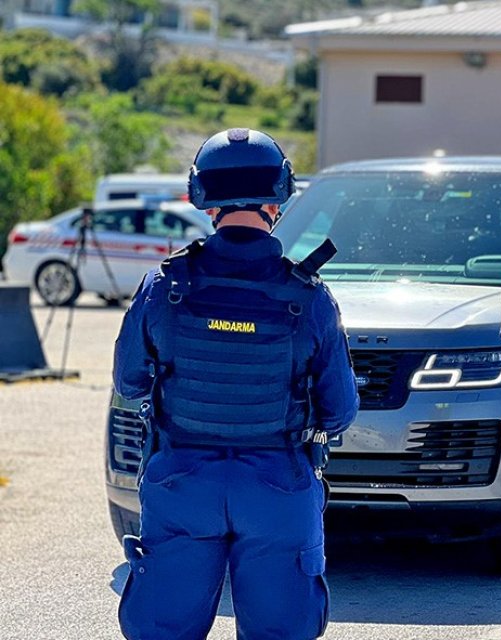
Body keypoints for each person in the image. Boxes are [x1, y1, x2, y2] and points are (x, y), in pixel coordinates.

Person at [113, 128, 359, 639]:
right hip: (278, 486)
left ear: (203, 197)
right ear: (280, 196)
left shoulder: (165, 285)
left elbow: (129, 382)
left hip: (180, 481)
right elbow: (339, 411)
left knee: (163, 630)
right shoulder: (309, 296)